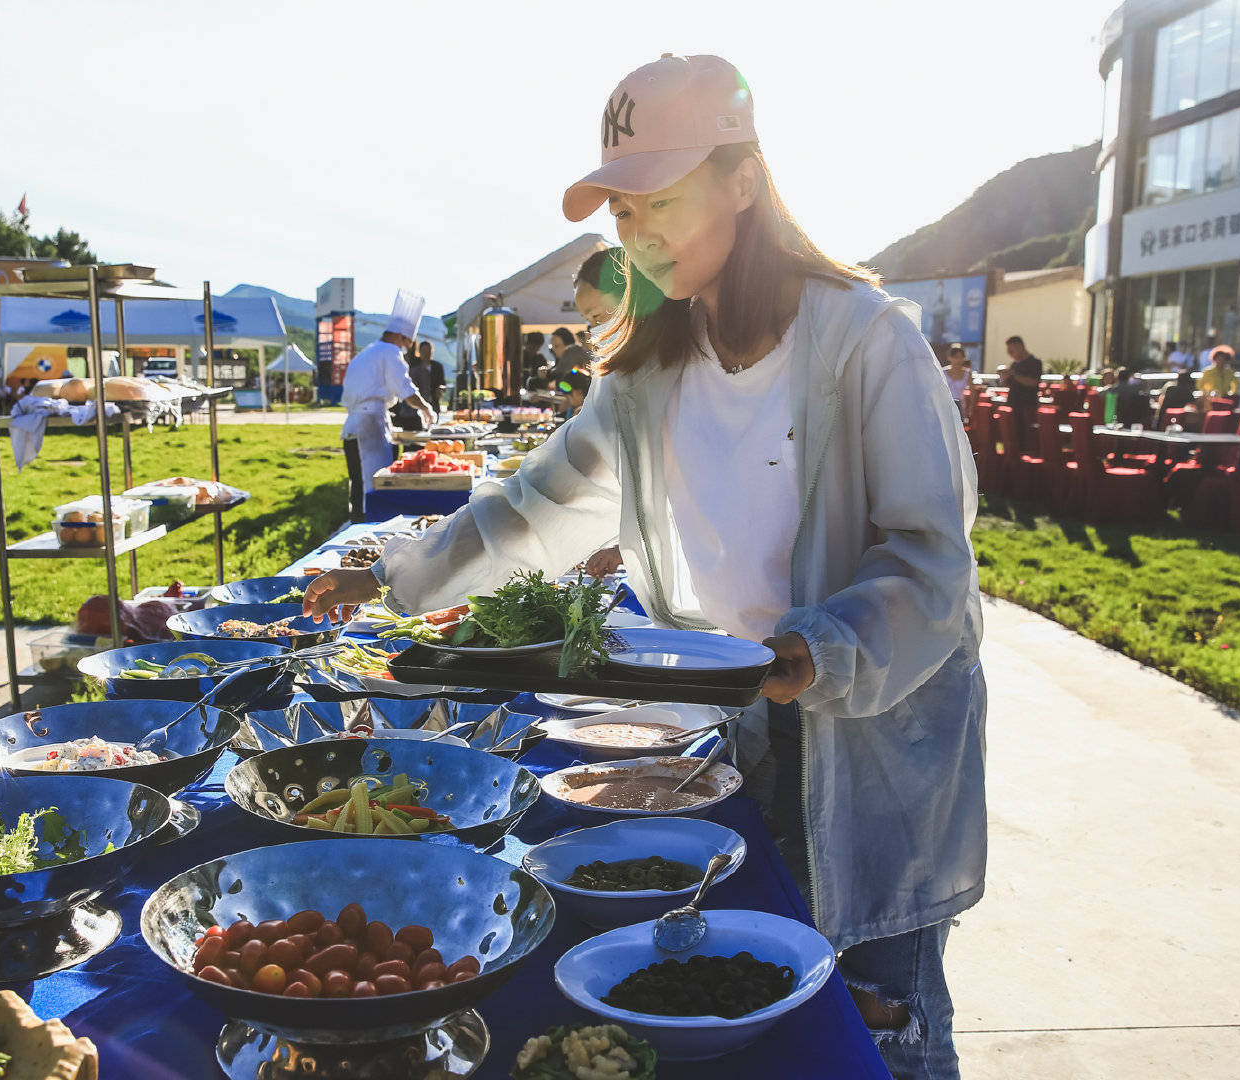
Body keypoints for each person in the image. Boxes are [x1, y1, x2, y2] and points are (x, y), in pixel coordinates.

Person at [304, 54, 984, 1080]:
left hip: (876, 743)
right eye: (620, 209)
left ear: (744, 181)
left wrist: (818, 651)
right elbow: (535, 507)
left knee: (875, 1020)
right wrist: (400, 575)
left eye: (658, 198)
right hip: (735, 718)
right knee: (750, 999)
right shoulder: (650, 368)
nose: (636, 230)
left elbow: (931, 565)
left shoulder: (864, 341)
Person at [340, 289, 435, 521]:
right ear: (402, 337)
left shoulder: (367, 352)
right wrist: (425, 408)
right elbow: (406, 389)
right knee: (373, 488)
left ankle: (356, 528)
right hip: (369, 427)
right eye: (407, 343)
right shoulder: (389, 352)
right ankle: (367, 534)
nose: (405, 348)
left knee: (357, 487)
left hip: (352, 426)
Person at [1000, 335, 1041, 450]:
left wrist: (1014, 375)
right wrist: (1005, 377)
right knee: (1012, 436)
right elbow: (1007, 384)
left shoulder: (1035, 363)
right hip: (1013, 404)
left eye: (1012, 350)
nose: (1010, 354)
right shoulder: (1014, 365)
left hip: (1027, 406)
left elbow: (1033, 382)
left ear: (1020, 346)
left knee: (1026, 436)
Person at [943, 344, 972, 420]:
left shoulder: (967, 373)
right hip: (945, 405)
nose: (959, 360)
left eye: (961, 357)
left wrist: (970, 408)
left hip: (960, 406)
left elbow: (973, 393)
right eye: (956, 357)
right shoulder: (943, 372)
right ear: (949, 358)